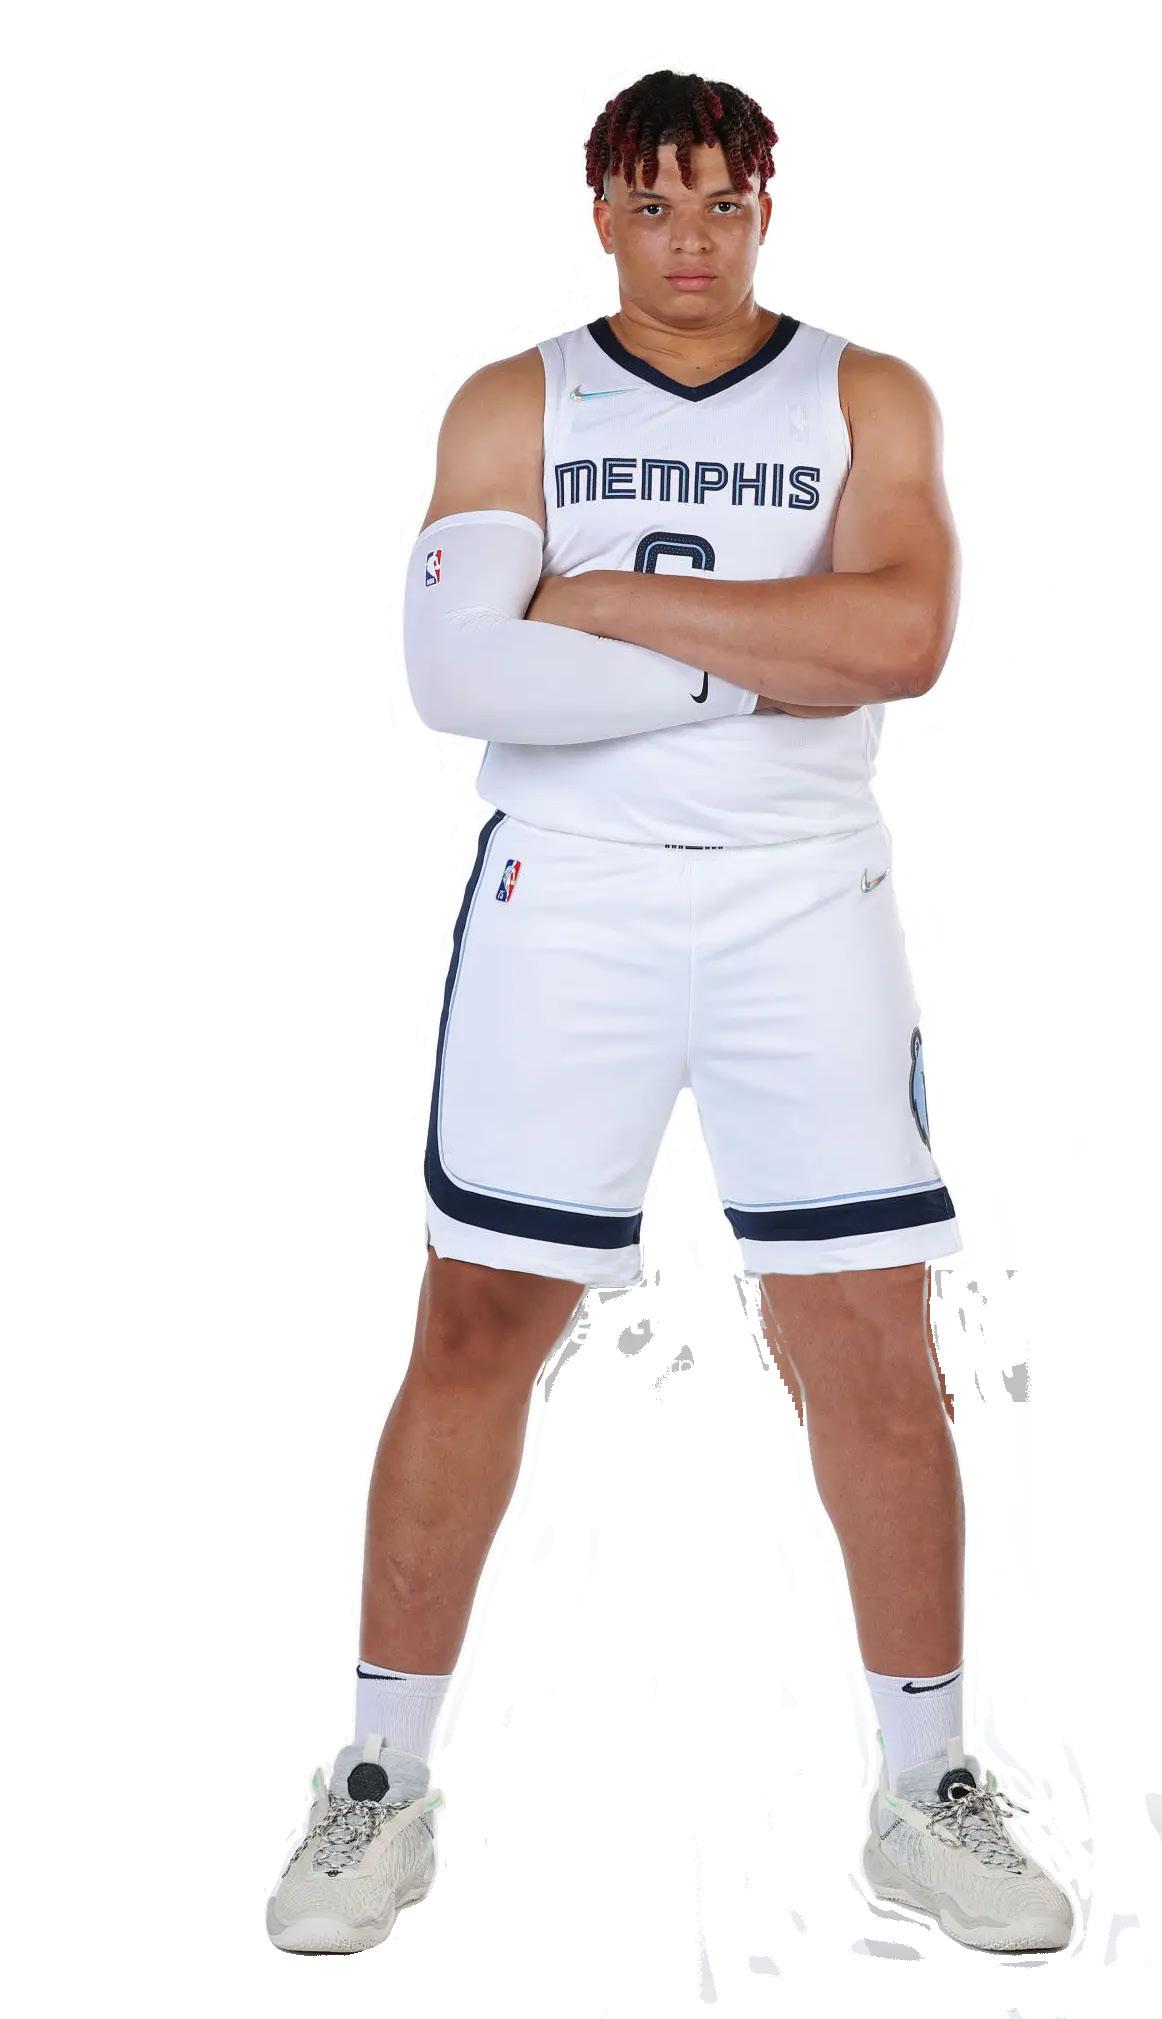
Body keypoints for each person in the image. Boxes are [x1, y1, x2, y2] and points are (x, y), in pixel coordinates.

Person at [266, 66, 1072, 1959]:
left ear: (765, 204)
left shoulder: (866, 393)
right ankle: (378, 1780)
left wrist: (604, 600)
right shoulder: (514, 399)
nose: (689, 240)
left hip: (808, 902)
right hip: (570, 900)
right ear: (600, 214)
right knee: (475, 1316)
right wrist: (758, 666)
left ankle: (924, 1788)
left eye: (721, 202)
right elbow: (457, 674)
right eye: (652, 204)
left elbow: (902, 638)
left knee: (865, 1335)